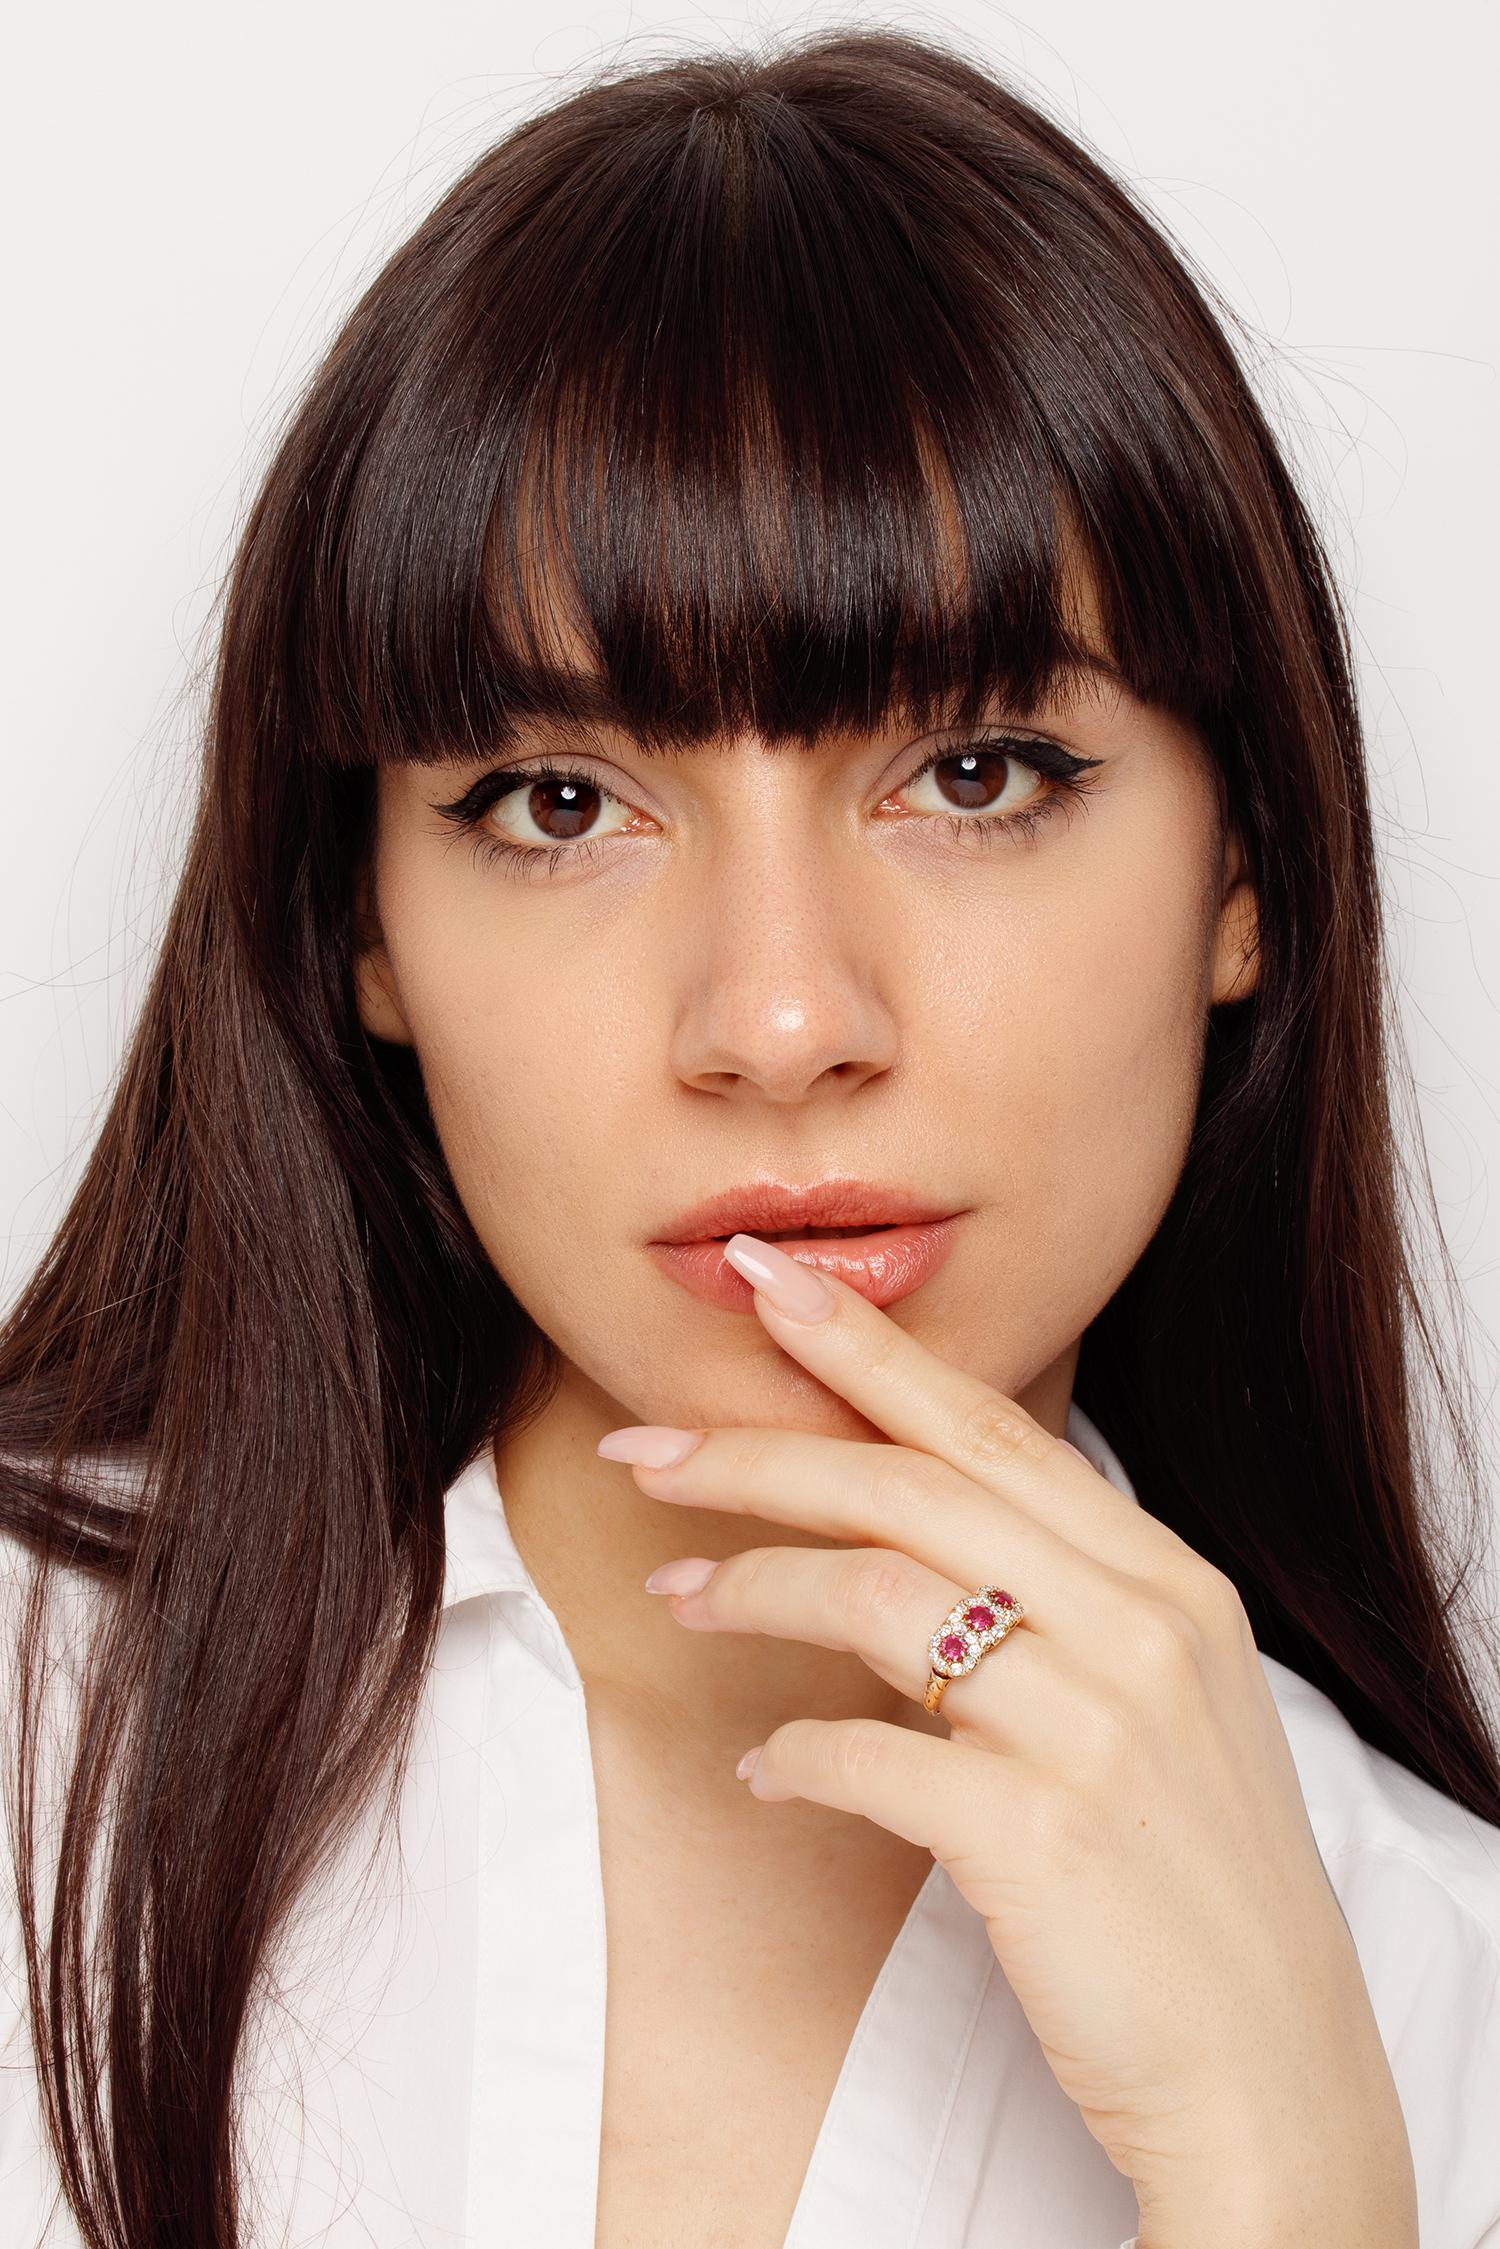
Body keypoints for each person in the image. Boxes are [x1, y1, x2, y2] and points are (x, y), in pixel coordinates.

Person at [2, 23, 1497, 2249]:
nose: (781, 1022)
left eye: (977, 774)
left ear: (1246, 873)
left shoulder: (1442, 1998)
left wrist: (1302, 2191)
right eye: (565, 802)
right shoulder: (35, 1710)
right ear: (361, 932)